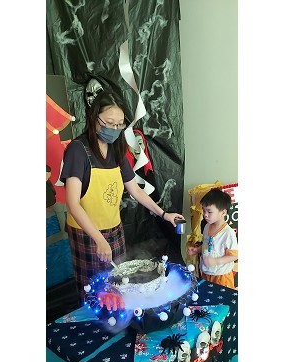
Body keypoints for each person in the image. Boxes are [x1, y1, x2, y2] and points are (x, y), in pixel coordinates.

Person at [60, 89, 185, 309]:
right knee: (94, 290)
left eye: (119, 124)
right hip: (87, 233)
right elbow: (73, 203)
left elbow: (135, 190)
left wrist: (164, 214)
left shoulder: (116, 150)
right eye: (109, 123)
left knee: (117, 286)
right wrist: (99, 239)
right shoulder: (78, 150)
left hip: (114, 230)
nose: (114, 129)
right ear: (94, 117)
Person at [187, 188, 238, 289]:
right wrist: (197, 250)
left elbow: (234, 256)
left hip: (221, 277)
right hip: (206, 273)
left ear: (223, 213)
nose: (205, 215)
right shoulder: (207, 226)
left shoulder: (228, 233)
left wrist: (216, 261)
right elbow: (207, 245)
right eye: (204, 210)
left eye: (209, 212)